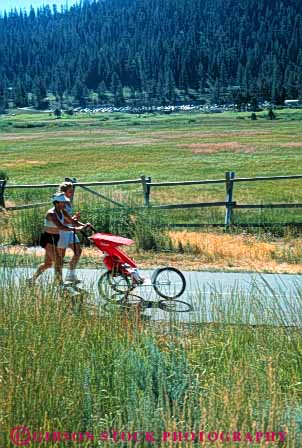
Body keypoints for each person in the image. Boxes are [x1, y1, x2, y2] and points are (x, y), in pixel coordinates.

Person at [27, 193, 88, 285]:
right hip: (47, 239)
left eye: (64, 202)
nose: (65, 203)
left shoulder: (62, 211)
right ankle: (59, 283)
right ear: (56, 203)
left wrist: (84, 225)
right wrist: (76, 229)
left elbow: (71, 221)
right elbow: (61, 227)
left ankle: (31, 279)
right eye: (62, 202)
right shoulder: (51, 214)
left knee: (47, 264)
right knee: (58, 260)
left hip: (55, 238)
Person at [55, 181, 87, 283]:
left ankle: (70, 275)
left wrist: (76, 220)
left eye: (72, 191)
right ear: (64, 192)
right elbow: (63, 220)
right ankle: (58, 280)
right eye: (70, 191)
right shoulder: (61, 203)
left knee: (78, 251)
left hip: (69, 230)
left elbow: (68, 219)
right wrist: (79, 224)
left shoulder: (68, 201)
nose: (72, 193)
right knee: (61, 257)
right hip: (62, 231)